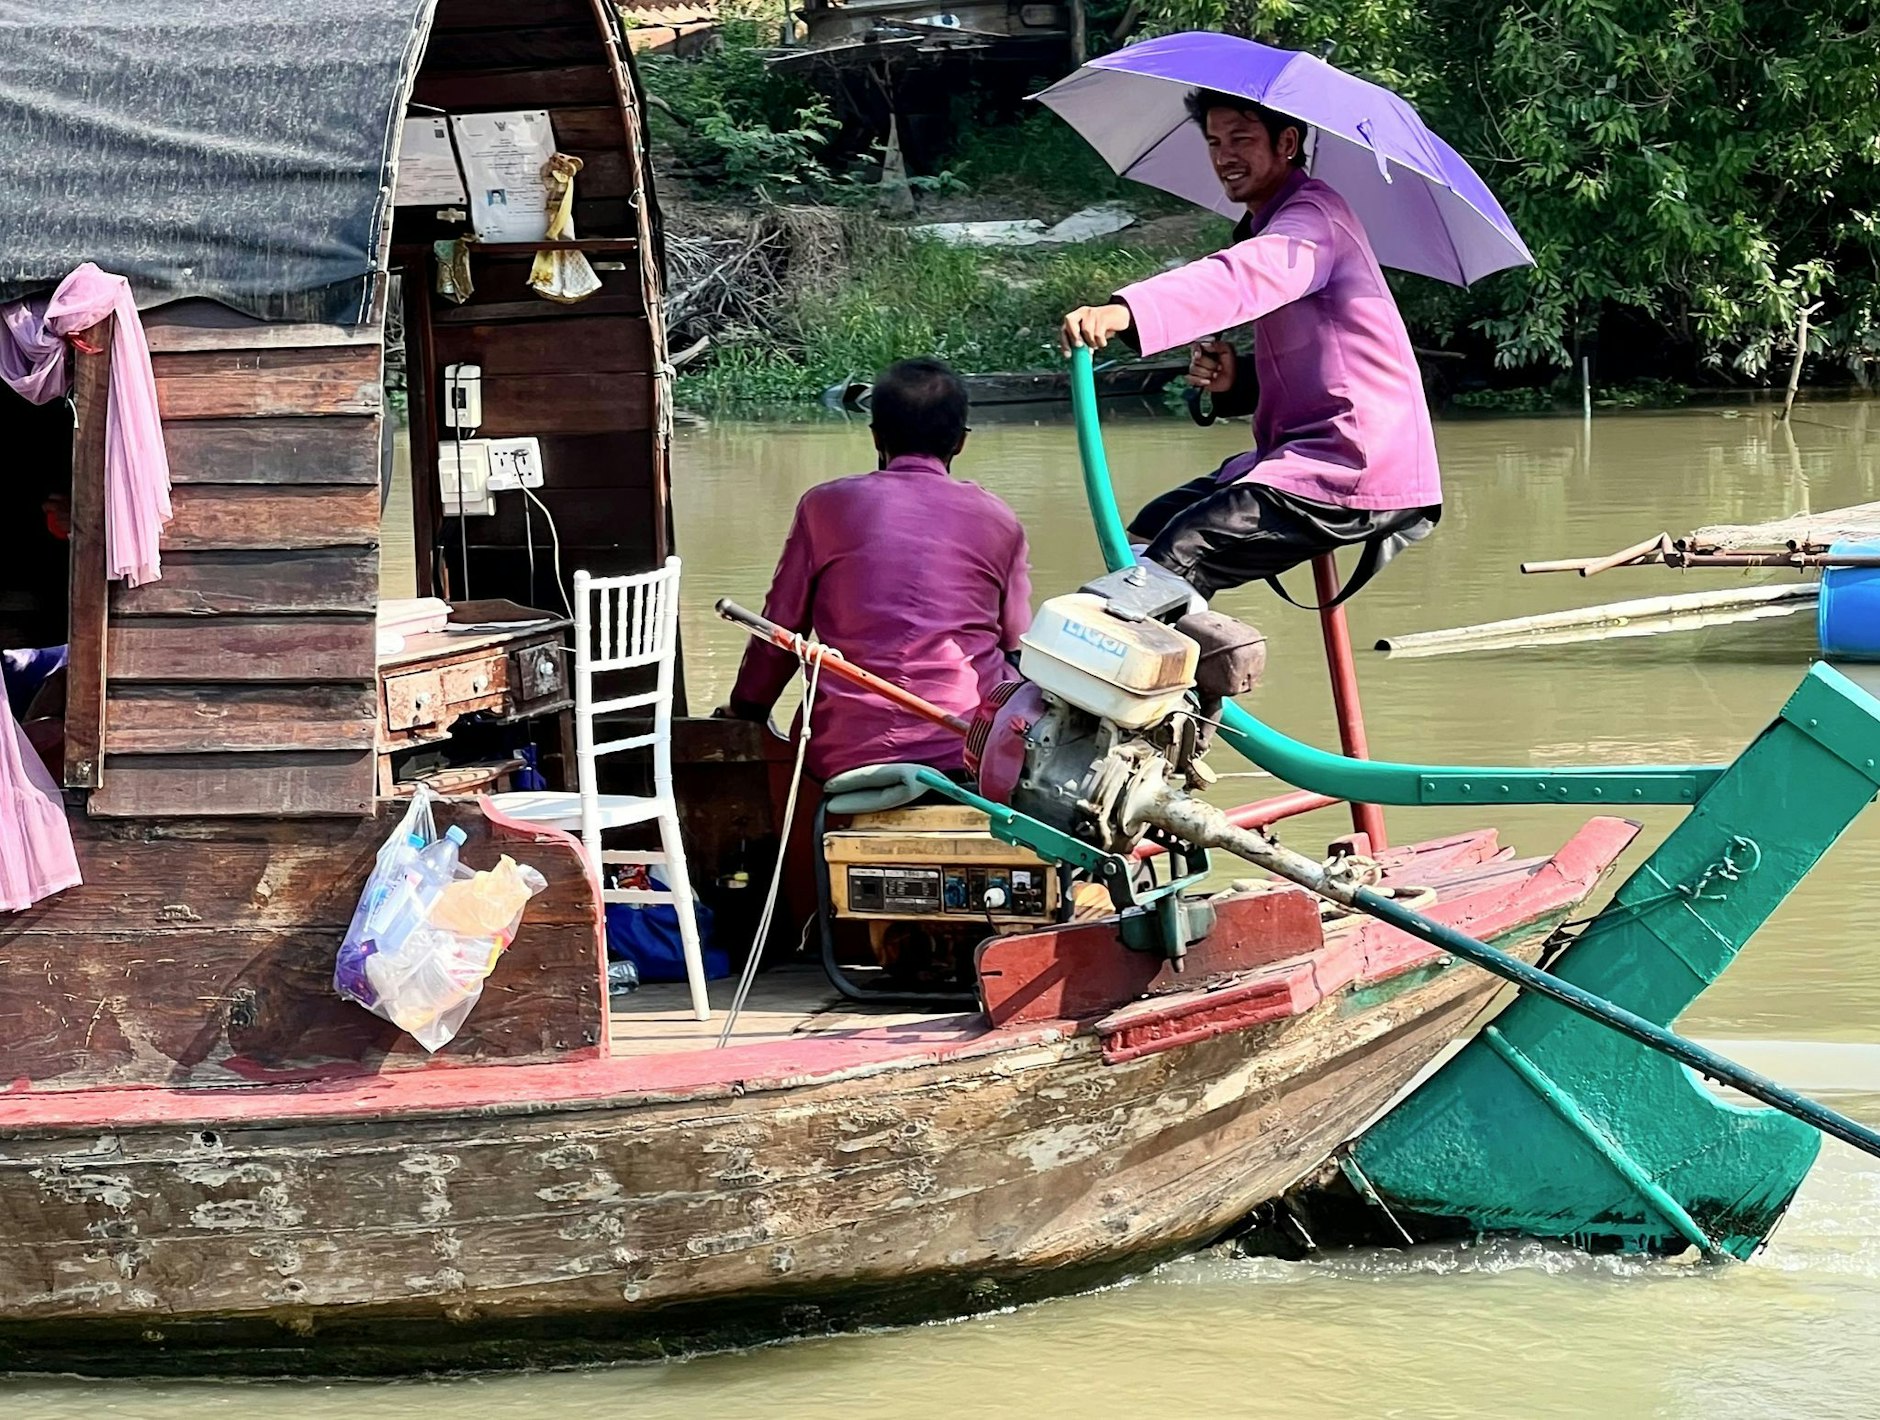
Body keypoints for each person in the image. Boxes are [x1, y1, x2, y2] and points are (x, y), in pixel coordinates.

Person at [1060, 90, 1441, 604]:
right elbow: (1321, 365)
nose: (1224, 157)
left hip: (1355, 463)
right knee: (1150, 530)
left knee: (1177, 556)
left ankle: (1135, 669)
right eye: (1214, 141)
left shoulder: (1311, 223)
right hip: (1301, 454)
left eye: (1241, 139)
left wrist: (1126, 312)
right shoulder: (1274, 221)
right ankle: (1185, 680)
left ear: (1287, 142)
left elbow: (1239, 278)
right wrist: (1237, 384)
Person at [721, 356, 1032, 784]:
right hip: (966, 749)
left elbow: (780, 635)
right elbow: (1017, 645)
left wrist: (746, 710)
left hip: (843, 751)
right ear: (960, 442)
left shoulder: (825, 506)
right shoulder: (1000, 520)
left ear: (875, 437)